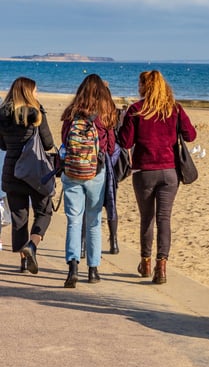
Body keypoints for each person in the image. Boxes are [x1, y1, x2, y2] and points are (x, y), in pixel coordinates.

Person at [118, 70, 197, 284]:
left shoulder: (136, 110)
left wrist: (124, 120)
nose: (138, 87)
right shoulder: (174, 109)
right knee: (164, 218)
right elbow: (191, 135)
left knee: (147, 218)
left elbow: (125, 142)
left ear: (145, 86)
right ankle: (161, 267)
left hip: (144, 171)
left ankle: (145, 262)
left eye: (140, 83)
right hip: (170, 171)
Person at [60, 74, 117, 288]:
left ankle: (73, 267)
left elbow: (64, 141)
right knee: (94, 221)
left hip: (73, 171)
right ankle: (93, 270)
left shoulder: (71, 112)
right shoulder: (106, 113)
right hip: (96, 172)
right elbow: (111, 147)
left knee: (73, 220)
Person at [0, 77, 54, 274]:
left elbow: (3, 145)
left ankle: (23, 261)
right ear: (30, 92)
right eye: (36, 91)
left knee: (19, 217)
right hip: (35, 172)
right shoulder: (36, 112)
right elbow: (48, 143)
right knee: (44, 211)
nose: (37, 94)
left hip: (12, 172)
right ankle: (32, 245)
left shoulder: (3, 114)